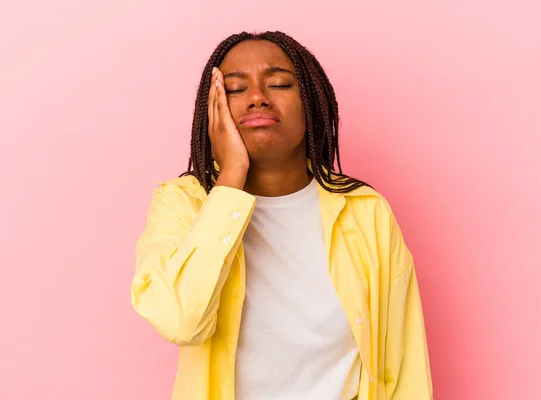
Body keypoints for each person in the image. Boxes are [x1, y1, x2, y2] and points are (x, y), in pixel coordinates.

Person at [131, 31, 432, 400]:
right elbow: (179, 322)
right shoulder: (181, 204)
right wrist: (230, 181)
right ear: (212, 111)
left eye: (278, 83)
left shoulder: (365, 211)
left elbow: (402, 367)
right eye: (237, 89)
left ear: (311, 100)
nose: (257, 97)